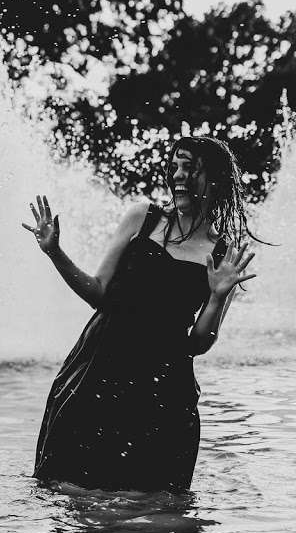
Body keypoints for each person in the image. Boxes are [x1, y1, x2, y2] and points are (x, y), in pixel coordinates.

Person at [22, 136, 258, 492]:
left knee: (150, 499)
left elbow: (198, 343)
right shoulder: (142, 218)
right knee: (71, 493)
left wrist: (217, 297)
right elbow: (97, 292)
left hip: (163, 388)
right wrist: (55, 251)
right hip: (100, 372)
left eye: (189, 168)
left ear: (213, 180)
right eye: (174, 166)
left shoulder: (223, 254)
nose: (178, 175)